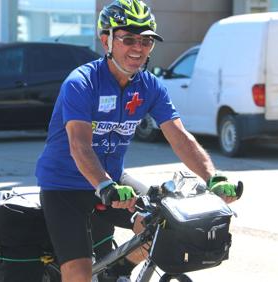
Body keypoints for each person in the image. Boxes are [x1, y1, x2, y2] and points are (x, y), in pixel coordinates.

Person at [35, 1, 241, 281]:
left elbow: (180, 138)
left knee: (165, 226)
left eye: (146, 41)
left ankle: (116, 270)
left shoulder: (149, 86)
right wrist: (105, 185)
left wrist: (212, 176)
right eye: (128, 39)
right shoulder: (81, 83)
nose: (138, 48)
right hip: (65, 187)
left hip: (113, 183)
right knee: (78, 272)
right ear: (106, 39)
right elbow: (79, 145)